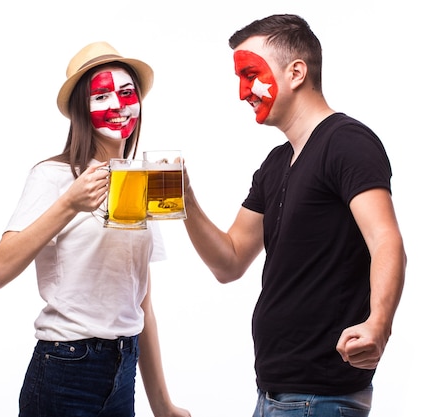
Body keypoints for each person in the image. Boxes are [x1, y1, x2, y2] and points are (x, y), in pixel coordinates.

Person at [181, 14, 406, 417]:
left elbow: (386, 241)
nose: (242, 92)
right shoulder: (275, 162)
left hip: (320, 398)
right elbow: (229, 261)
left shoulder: (348, 143)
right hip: (273, 394)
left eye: (251, 74)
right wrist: (185, 199)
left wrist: (379, 324)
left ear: (297, 72)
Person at [0, 41, 190, 417]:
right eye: (102, 95)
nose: (118, 104)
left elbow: (140, 302)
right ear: (81, 109)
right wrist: (68, 205)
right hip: (65, 367)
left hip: (123, 369)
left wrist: (162, 404)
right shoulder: (53, 176)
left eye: (127, 93)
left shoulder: (141, 181)